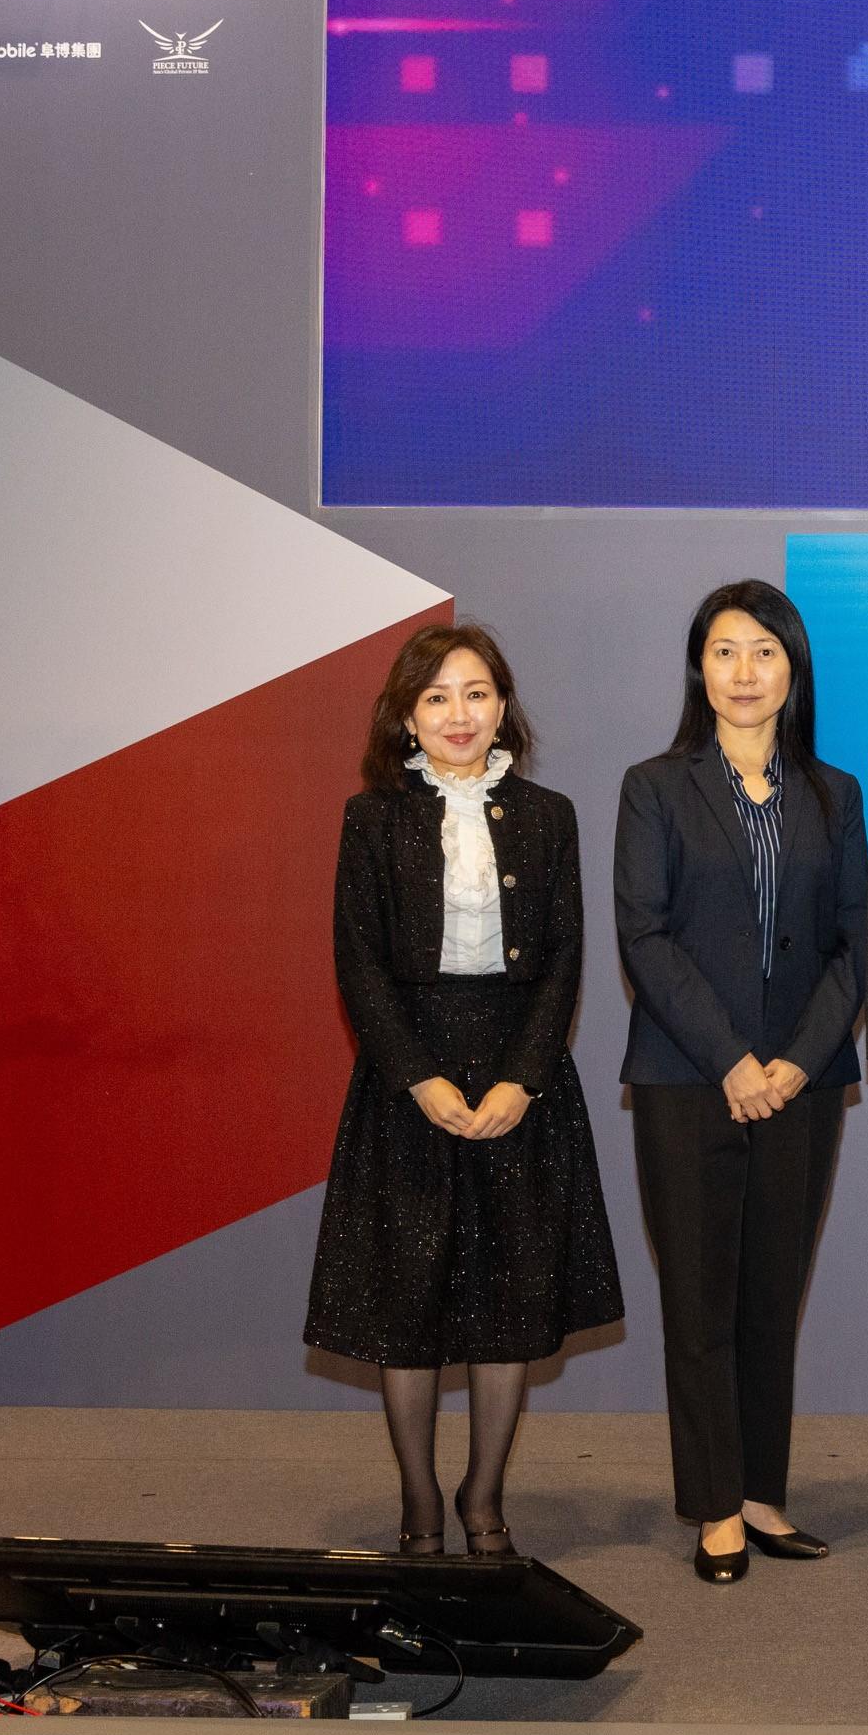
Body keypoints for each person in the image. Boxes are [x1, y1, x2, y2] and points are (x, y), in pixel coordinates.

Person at [303, 621, 624, 1556]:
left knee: (507, 1302)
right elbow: (356, 961)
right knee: (410, 1303)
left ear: (503, 705)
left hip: (521, 1078)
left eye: (476, 693)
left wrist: (525, 1076)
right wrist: (416, 1077)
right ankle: (418, 1502)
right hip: (408, 1079)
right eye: (437, 696)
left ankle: (484, 1500)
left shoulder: (549, 812)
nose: (459, 713)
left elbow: (564, 956)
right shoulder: (371, 818)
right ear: (407, 715)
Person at [616, 580, 868, 1585]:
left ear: (793, 669)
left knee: (772, 1299)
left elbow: (860, 941)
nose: (745, 672)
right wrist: (731, 1060)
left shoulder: (835, 794)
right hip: (688, 1079)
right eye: (724, 652)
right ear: (699, 668)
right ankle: (713, 1508)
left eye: (764, 651)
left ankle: (762, 1496)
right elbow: (646, 933)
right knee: (701, 1301)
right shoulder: (654, 786)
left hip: (802, 1084)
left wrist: (797, 1062)